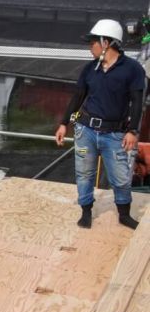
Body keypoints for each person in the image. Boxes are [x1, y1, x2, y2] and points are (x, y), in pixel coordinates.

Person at [55, 19, 147, 230]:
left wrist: (133, 130)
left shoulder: (132, 69)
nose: (90, 47)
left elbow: (137, 102)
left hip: (114, 133)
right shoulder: (89, 69)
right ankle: (86, 212)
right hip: (85, 130)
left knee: (121, 178)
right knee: (84, 173)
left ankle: (124, 215)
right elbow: (77, 98)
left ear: (106, 42)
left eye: (93, 42)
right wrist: (64, 124)